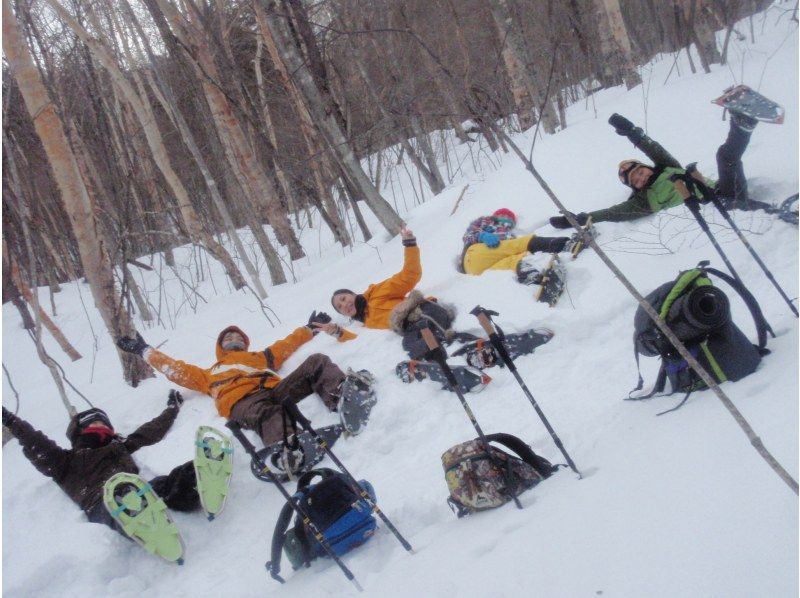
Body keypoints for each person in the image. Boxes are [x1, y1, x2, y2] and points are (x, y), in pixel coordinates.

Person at [116, 314, 365, 450]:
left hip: (274, 390)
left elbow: (286, 345)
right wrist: (143, 350)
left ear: (244, 342)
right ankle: (289, 448)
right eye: (227, 337)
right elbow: (175, 369)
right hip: (243, 403)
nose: (232, 337)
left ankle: (343, 398)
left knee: (317, 361)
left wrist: (309, 328)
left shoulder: (260, 358)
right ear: (220, 346)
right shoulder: (210, 373)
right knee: (269, 414)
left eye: (236, 335)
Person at [1, 394, 200, 532]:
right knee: (123, 496)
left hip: (139, 492)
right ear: (79, 432)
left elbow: (149, 431)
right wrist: (10, 420)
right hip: (104, 505)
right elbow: (36, 443)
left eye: (104, 423)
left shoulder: (120, 447)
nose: (101, 426)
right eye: (94, 423)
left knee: (163, 483)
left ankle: (198, 480)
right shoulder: (65, 462)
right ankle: (143, 523)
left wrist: (172, 409)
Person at [549, 110, 772, 229]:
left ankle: (743, 123)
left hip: (721, 192)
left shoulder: (668, 167)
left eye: (639, 171)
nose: (640, 177)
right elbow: (612, 213)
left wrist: (632, 133)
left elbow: (653, 148)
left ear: (647, 167)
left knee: (725, 157)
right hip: (710, 210)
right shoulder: (644, 201)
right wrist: (580, 219)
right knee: (763, 213)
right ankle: (777, 214)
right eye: (634, 180)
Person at [330, 227, 475, 359]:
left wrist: (410, 245)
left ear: (353, 294)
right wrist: (336, 332)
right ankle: (441, 365)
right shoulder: (366, 321)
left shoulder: (376, 292)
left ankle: (472, 345)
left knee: (431, 331)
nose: (345, 304)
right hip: (411, 327)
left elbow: (409, 276)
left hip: (422, 311)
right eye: (340, 307)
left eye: (343, 298)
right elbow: (356, 341)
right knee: (409, 345)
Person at [459, 208, 580, 285]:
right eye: (503, 216)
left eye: (510, 219)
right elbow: (468, 235)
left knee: (517, 259)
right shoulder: (485, 221)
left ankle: (532, 275)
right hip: (475, 254)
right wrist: (482, 236)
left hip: (479, 274)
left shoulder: (509, 236)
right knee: (520, 244)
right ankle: (563, 244)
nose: (507, 220)